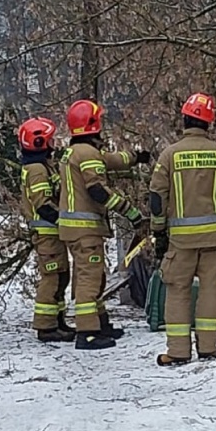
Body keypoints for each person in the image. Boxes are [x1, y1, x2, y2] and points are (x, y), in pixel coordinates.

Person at [149, 92, 216, 366]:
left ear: (184, 119)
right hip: (215, 239)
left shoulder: (170, 155)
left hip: (180, 241)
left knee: (177, 290)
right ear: (209, 123)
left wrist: (159, 232)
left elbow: (157, 197)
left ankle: (178, 351)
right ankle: (208, 348)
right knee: (210, 290)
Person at [58, 99, 150, 350]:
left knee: (93, 276)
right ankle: (87, 333)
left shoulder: (75, 152)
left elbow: (109, 159)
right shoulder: (87, 154)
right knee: (89, 279)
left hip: (75, 230)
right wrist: (130, 212)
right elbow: (98, 189)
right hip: (85, 230)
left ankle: (100, 323)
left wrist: (135, 157)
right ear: (93, 124)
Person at [18, 117, 74, 343]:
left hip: (52, 235)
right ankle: (46, 326)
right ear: (40, 142)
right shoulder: (37, 170)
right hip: (47, 234)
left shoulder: (40, 166)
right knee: (52, 277)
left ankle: (57, 320)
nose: (53, 144)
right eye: (49, 140)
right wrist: (64, 221)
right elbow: (43, 204)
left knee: (62, 276)